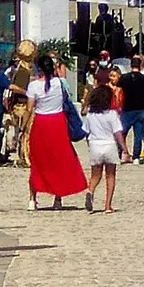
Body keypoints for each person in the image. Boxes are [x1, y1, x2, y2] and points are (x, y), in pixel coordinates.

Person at [24, 52, 87, 209]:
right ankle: (58, 199)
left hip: (41, 123)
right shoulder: (59, 83)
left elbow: (29, 108)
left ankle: (33, 199)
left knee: (37, 161)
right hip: (58, 123)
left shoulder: (33, 86)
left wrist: (23, 127)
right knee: (59, 160)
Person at [82, 73, 124, 212]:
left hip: (95, 145)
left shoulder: (90, 115)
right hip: (109, 145)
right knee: (110, 175)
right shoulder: (112, 114)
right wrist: (125, 149)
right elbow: (118, 133)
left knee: (95, 175)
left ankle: (90, 190)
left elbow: (86, 132)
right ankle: (107, 206)